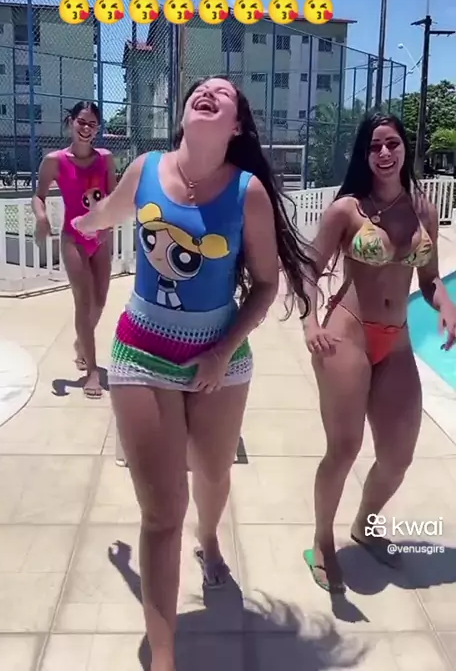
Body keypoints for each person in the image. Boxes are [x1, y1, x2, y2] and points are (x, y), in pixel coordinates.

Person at [71, 76, 317, 671]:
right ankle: (164, 659)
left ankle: (209, 541)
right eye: (201, 89)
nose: (208, 92)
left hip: (219, 358)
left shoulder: (247, 193)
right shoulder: (147, 170)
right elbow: (110, 212)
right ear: (184, 114)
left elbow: (265, 285)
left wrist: (222, 351)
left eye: (223, 94)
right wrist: (85, 224)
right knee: (162, 513)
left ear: (236, 126)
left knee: (212, 472)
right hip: (140, 353)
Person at [301, 112, 456, 593]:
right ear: (364, 155)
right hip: (346, 335)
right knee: (344, 448)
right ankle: (322, 541)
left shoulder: (422, 209)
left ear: (405, 148)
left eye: (392, 144)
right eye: (374, 146)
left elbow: (429, 279)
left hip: (398, 341)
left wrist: (446, 303)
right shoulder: (347, 210)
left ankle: (364, 526)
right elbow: (309, 270)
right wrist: (310, 322)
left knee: (398, 456)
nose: (384, 153)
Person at [32, 100, 116, 398]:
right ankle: (92, 370)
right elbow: (39, 196)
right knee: (84, 299)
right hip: (73, 238)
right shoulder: (54, 161)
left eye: (92, 124)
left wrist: (107, 224)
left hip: (100, 238)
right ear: (71, 122)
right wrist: (42, 218)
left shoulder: (105, 158)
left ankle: (82, 343)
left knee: (100, 301)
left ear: (98, 128)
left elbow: (113, 196)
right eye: (81, 121)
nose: (86, 128)